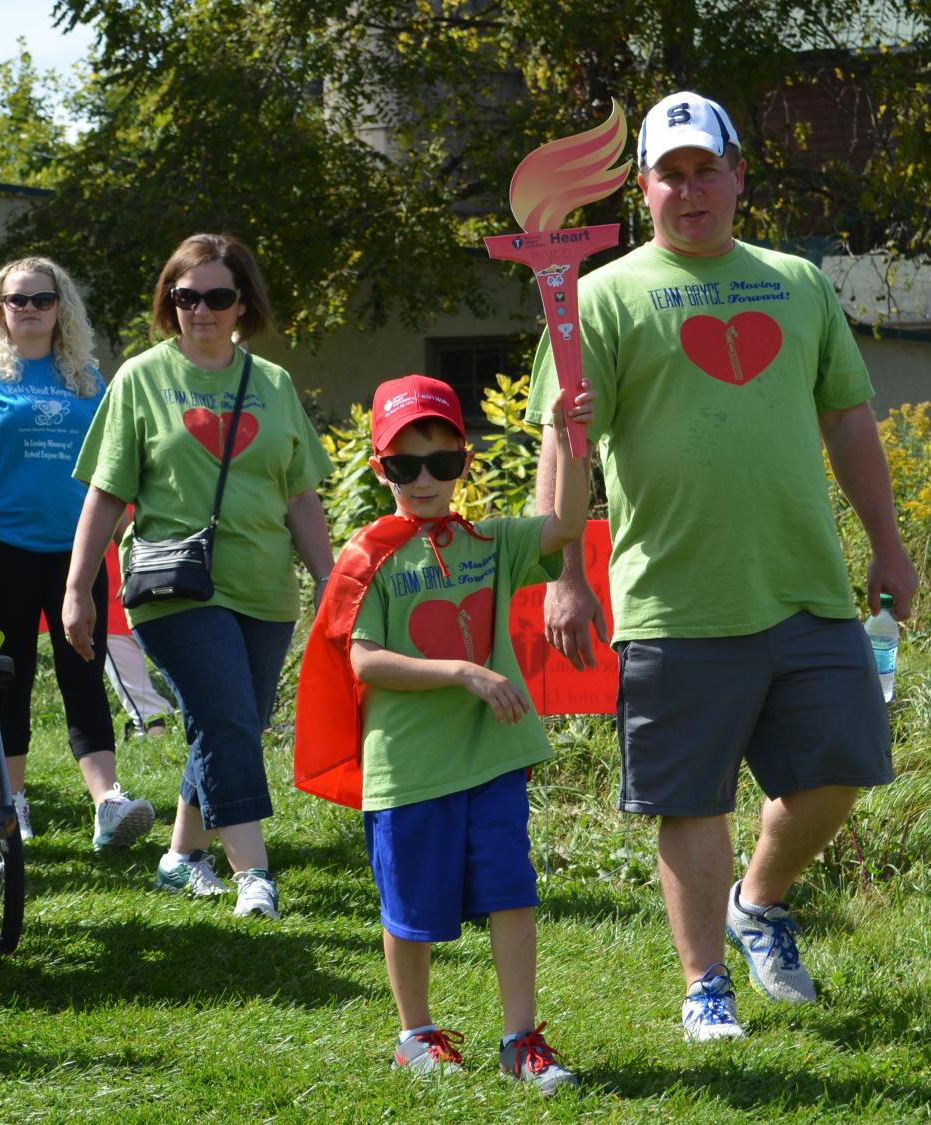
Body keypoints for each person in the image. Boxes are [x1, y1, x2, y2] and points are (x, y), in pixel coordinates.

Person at [526, 92, 918, 1041]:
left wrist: (890, 540)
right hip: (674, 592)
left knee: (845, 763)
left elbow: (847, 416)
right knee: (688, 797)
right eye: (671, 172)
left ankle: (759, 899)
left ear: (738, 175)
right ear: (645, 186)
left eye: (707, 169)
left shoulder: (798, 280)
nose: (691, 189)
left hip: (805, 583)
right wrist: (563, 572)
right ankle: (707, 984)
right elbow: (565, 438)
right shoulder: (601, 296)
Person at [295, 375, 590, 1091]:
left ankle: (522, 1039)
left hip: (494, 757)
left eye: (441, 462)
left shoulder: (489, 540)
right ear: (380, 470)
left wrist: (573, 440)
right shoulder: (369, 557)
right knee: (411, 908)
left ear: (465, 460)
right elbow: (362, 658)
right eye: (404, 465)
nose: (424, 480)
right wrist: (463, 670)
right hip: (409, 769)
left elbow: (563, 527)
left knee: (511, 891)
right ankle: (416, 1034)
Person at [62, 233, 336, 920]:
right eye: (187, 297)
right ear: (170, 302)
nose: (202, 310)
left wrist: (332, 583)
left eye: (218, 296)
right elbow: (105, 492)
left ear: (243, 302)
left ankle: (182, 856)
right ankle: (255, 873)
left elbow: (301, 496)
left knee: (229, 721)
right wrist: (76, 589)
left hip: (267, 590)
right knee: (226, 717)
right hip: (173, 586)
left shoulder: (270, 384)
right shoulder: (141, 378)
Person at [0, 256, 153, 849]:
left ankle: (107, 803)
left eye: (43, 298)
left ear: (62, 307)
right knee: (9, 676)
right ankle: (12, 803)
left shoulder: (89, 378)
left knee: (84, 670)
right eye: (18, 300)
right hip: (4, 549)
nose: (30, 309)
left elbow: (115, 469)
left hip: (77, 550)